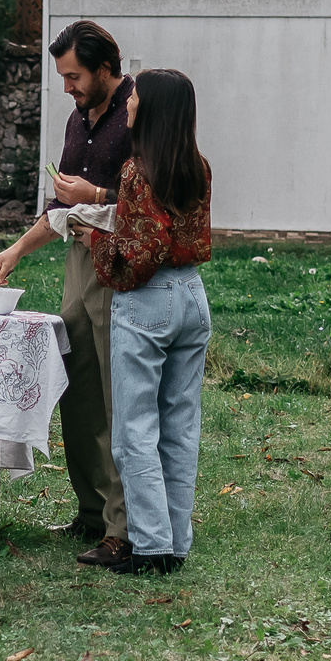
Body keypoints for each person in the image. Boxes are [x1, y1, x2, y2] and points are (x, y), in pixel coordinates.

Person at [0, 21, 132, 567]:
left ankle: (123, 527)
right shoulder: (77, 120)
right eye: (62, 77)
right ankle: (91, 513)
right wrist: (17, 249)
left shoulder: (141, 109)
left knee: (120, 400)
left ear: (104, 67)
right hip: (80, 261)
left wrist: (95, 193)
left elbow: (157, 194)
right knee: (79, 389)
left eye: (73, 76)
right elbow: (61, 208)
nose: (66, 87)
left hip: (125, 266)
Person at [84, 69, 212, 576]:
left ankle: (152, 544)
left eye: (135, 95)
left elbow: (144, 250)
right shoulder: (197, 166)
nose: (129, 100)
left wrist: (98, 240)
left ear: (152, 107)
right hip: (192, 296)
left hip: (150, 300)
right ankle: (176, 542)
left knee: (134, 428)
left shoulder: (139, 171)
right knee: (180, 427)